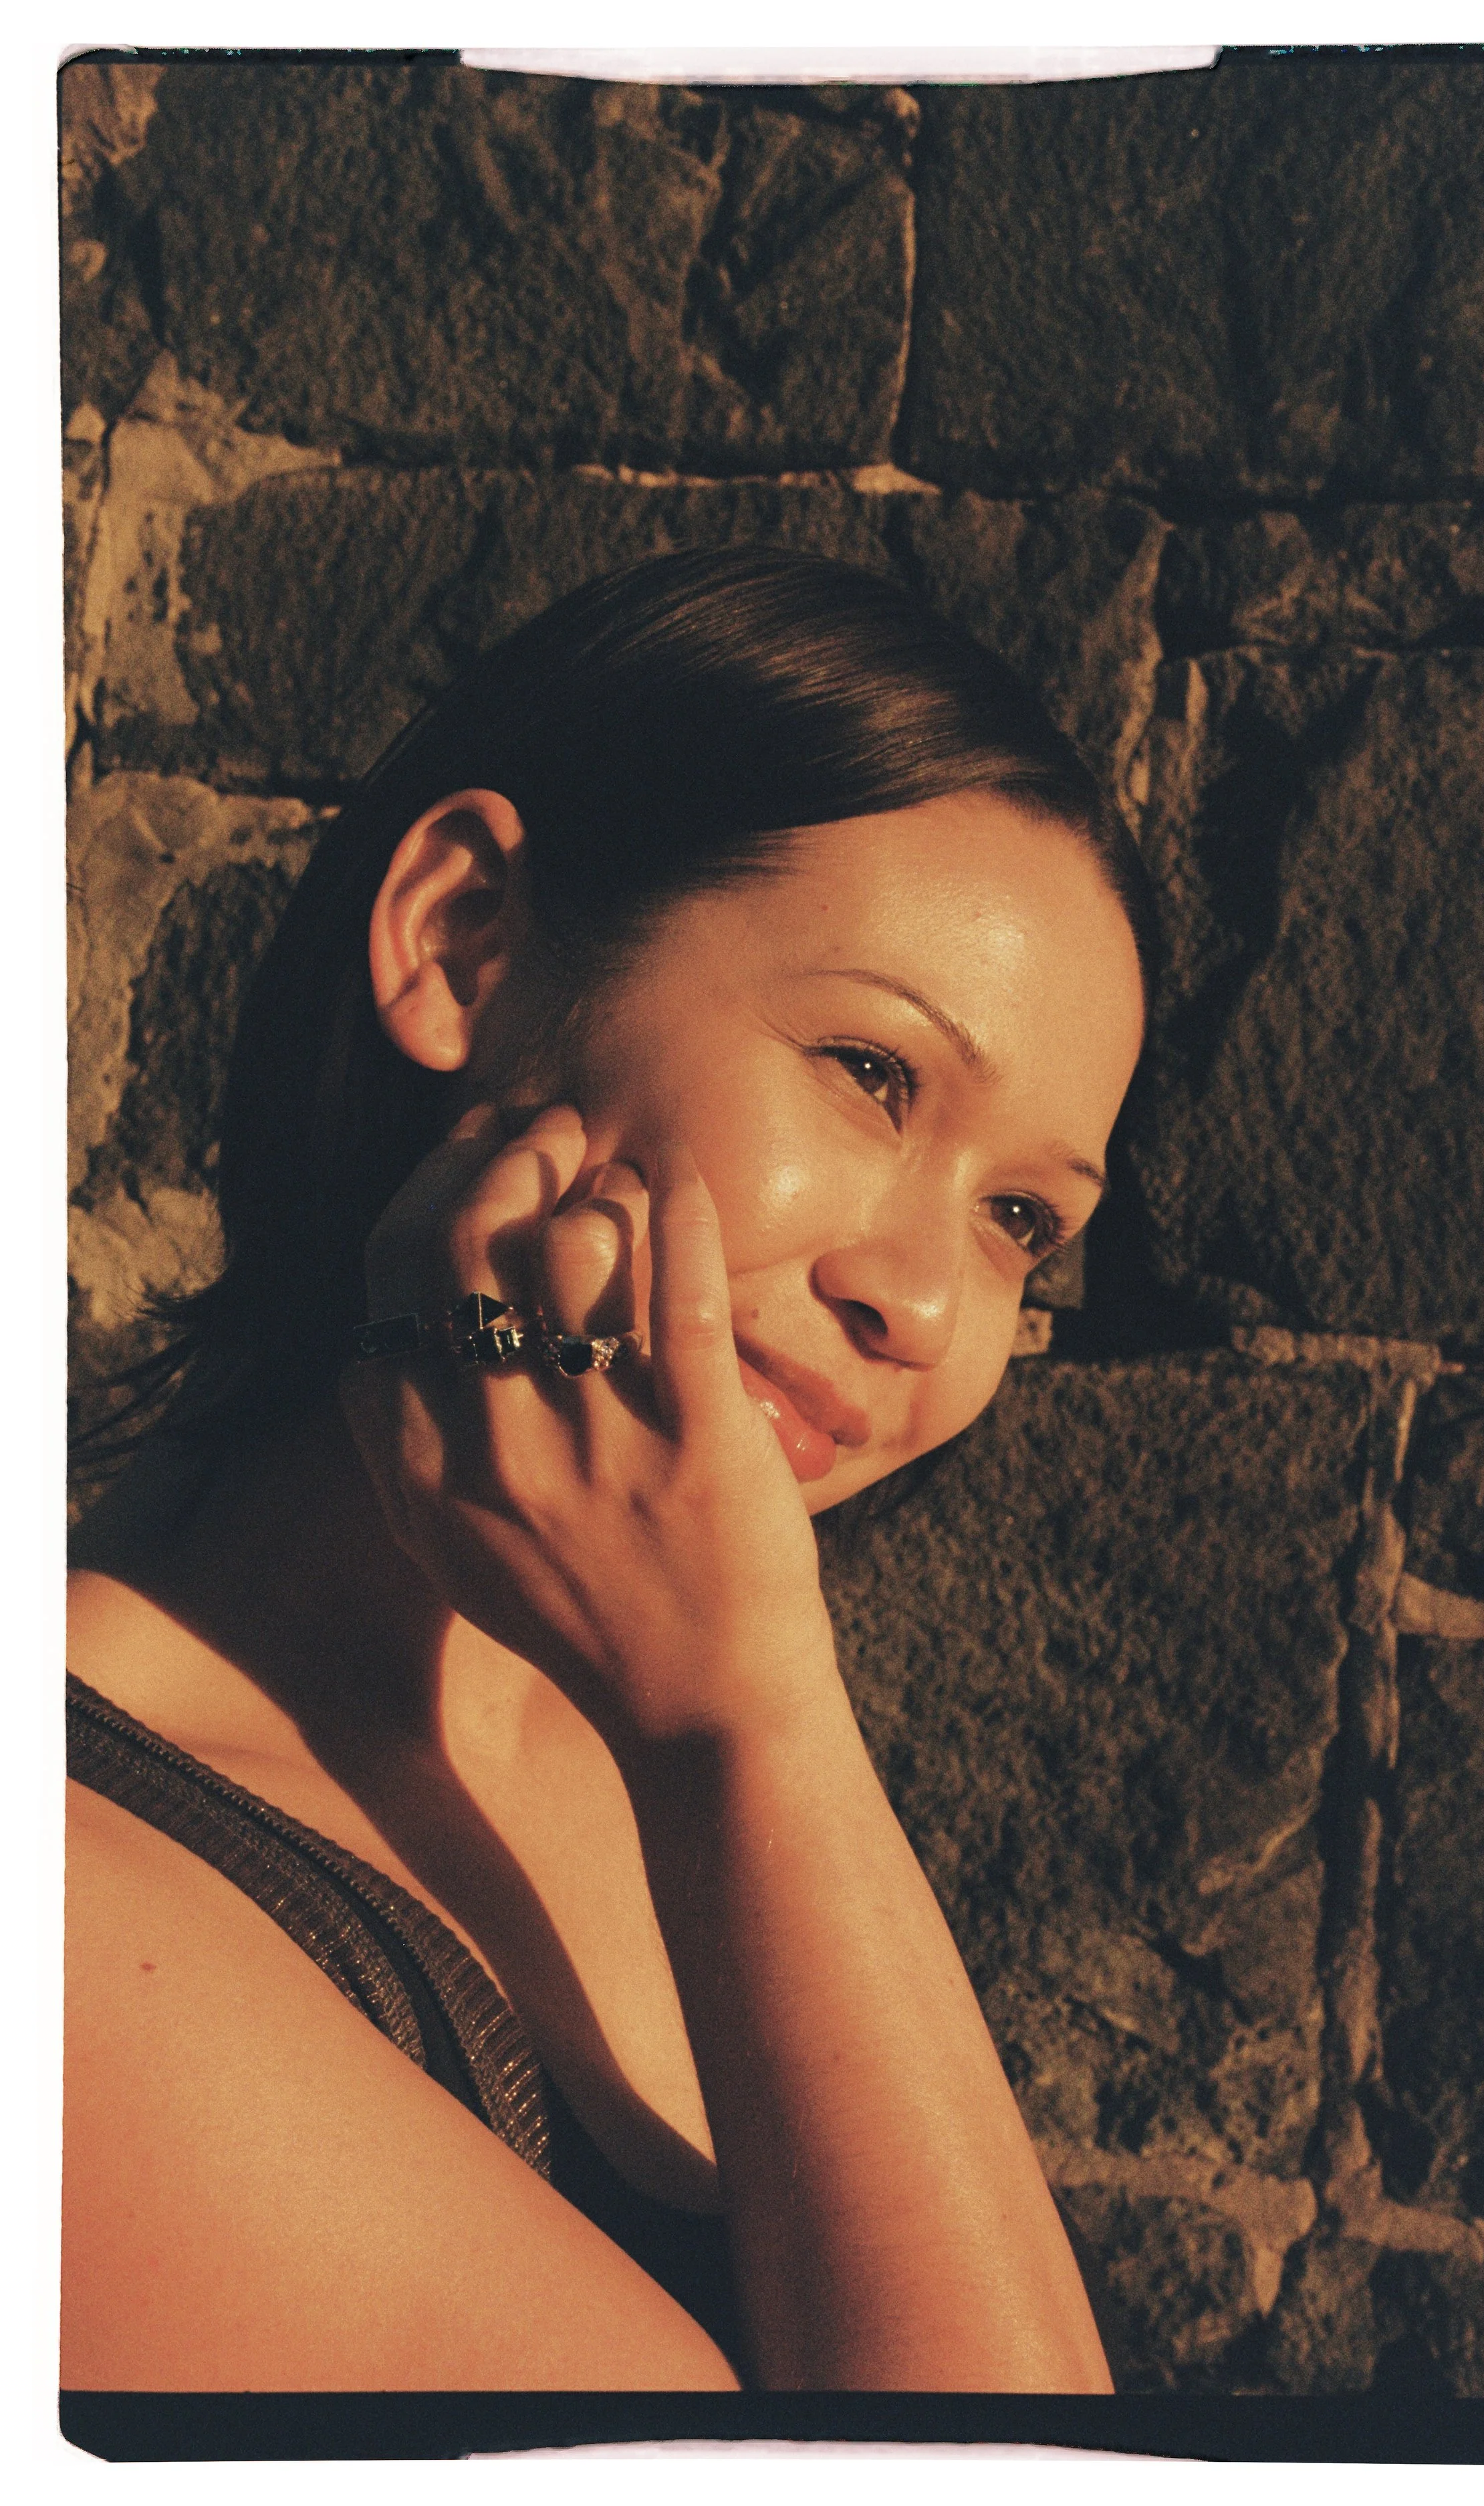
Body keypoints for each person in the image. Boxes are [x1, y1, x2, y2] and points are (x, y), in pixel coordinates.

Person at [64, 548, 1154, 2394]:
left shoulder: (669, 1744)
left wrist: (737, 1721)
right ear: (464, 944)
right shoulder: (69, 1902)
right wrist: (747, 1717)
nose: (921, 1300)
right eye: (872, 1071)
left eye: (1023, 1219)